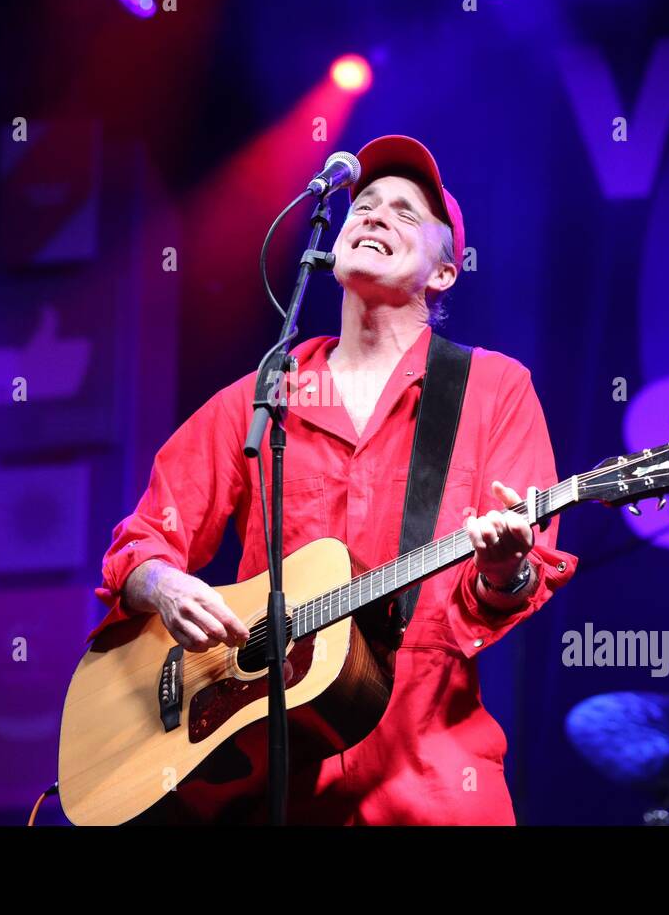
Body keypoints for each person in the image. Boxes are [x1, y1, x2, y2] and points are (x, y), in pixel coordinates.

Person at [91, 135, 577, 824]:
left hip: (429, 785)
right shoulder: (265, 393)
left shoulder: (492, 389)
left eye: (406, 213)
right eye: (365, 205)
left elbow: (515, 587)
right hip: (265, 788)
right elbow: (141, 543)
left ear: (444, 272)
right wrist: (165, 586)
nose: (374, 215)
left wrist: (505, 568)